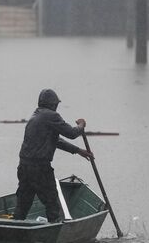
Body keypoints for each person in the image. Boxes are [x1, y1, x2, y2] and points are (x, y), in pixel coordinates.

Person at [13, 89, 94, 223]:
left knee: (23, 204)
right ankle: (55, 230)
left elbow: (56, 140)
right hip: (40, 168)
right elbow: (72, 133)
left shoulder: (35, 116)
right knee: (52, 203)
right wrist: (81, 125)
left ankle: (14, 231)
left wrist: (78, 150)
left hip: (24, 167)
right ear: (52, 104)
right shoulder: (51, 116)